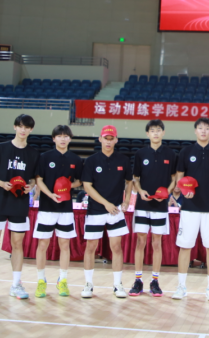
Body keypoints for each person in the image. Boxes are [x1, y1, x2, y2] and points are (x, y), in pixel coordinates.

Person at [0, 114, 39, 302]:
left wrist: (31, 186)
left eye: (27, 127)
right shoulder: (0, 148)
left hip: (19, 204)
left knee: (17, 245)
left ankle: (16, 284)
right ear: (14, 127)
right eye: (20, 126)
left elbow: (34, 178)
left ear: (31, 130)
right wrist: (1, 184)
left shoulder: (33, 153)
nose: (23, 130)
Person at [172, 117, 209, 301]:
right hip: (189, 208)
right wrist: (182, 191)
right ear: (195, 130)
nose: (203, 131)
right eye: (200, 128)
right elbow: (179, 178)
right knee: (185, 247)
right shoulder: (186, 152)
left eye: (207, 128)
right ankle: (181, 287)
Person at [81, 125, 133, 299]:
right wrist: (106, 204)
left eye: (112, 138)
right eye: (106, 138)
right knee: (91, 247)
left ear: (116, 140)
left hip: (115, 211)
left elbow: (129, 181)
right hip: (96, 210)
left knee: (116, 247)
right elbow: (87, 186)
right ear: (100, 139)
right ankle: (88, 284)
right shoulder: (91, 161)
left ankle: (118, 284)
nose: (108, 141)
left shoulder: (123, 160)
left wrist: (126, 200)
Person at [33, 125, 83, 298]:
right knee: (42, 245)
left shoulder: (76, 159)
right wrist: (50, 194)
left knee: (65, 245)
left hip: (66, 209)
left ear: (70, 138)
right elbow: (38, 180)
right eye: (59, 136)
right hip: (47, 208)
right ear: (53, 138)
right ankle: (41, 281)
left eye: (66, 136)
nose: (63, 139)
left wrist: (68, 186)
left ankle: (63, 280)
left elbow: (80, 181)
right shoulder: (45, 157)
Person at [129, 119, 177, 297]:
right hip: (142, 204)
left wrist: (167, 193)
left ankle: (155, 281)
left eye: (158, 130)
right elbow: (135, 178)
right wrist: (140, 191)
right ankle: (138, 280)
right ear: (147, 134)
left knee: (157, 243)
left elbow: (174, 178)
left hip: (160, 206)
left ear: (163, 133)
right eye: (152, 130)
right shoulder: (140, 154)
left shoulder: (171, 154)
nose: (155, 133)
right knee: (140, 242)